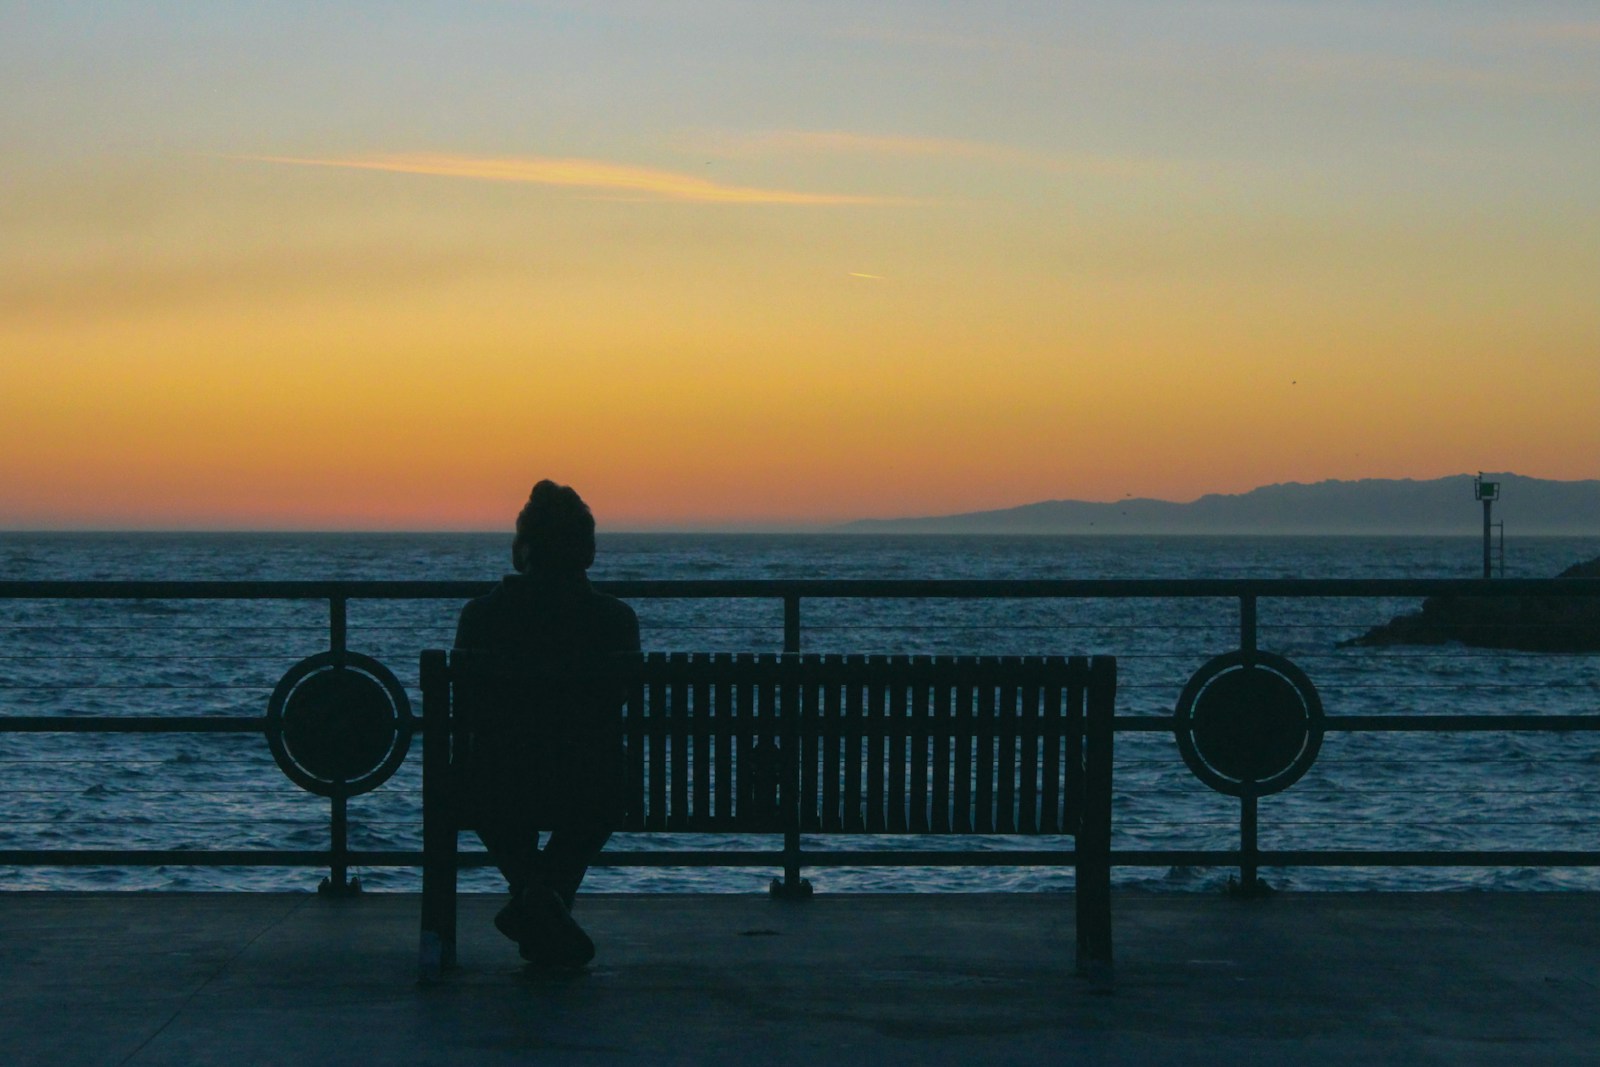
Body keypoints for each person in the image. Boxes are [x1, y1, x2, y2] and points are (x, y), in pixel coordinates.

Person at [454, 480, 640, 968]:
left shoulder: (480, 617)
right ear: (589, 553)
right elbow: (621, 700)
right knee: (603, 793)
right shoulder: (616, 620)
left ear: (523, 551)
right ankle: (544, 903)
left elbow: (467, 709)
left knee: (484, 787)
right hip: (590, 786)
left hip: (498, 784)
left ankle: (535, 899)